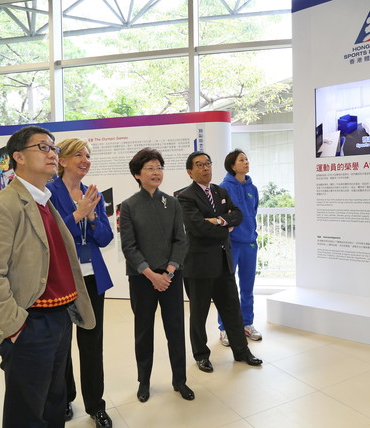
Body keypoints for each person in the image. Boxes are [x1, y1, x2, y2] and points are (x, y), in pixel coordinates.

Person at [0, 125, 96, 428]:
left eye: (54, 148)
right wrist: (15, 325)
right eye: (43, 147)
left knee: (54, 402)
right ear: (18, 157)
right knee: (27, 411)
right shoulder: (3, 206)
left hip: (60, 319)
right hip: (31, 322)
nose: (52, 153)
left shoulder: (45, 202)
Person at [47, 138, 114, 428]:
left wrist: (95, 217)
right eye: (79, 155)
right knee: (61, 344)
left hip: (92, 278)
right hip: (63, 277)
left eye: (88, 155)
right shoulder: (48, 192)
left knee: (91, 343)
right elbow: (50, 234)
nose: (85, 160)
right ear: (61, 160)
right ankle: (64, 400)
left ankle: (96, 406)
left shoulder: (91, 193)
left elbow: (105, 238)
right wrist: (78, 213)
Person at [119, 148, 194, 403]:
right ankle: (144, 381)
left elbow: (180, 240)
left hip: (171, 277)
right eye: (150, 168)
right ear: (137, 174)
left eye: (159, 167)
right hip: (142, 279)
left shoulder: (172, 202)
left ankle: (180, 380)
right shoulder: (128, 206)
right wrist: (152, 275)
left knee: (175, 329)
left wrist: (170, 271)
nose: (156, 172)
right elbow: (129, 246)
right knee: (143, 331)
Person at [177, 151, 263, 373]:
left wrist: (218, 221)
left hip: (223, 262)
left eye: (208, 164)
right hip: (199, 266)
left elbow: (238, 215)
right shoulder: (184, 196)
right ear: (190, 171)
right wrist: (224, 228)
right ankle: (201, 355)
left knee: (232, 310)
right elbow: (197, 228)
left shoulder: (220, 190)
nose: (205, 168)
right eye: (199, 165)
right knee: (199, 314)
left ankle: (242, 352)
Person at [218, 149, 262, 346]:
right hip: (231, 244)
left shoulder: (253, 187)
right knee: (226, 288)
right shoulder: (223, 188)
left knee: (247, 287)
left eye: (247, 159)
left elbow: (253, 212)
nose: (246, 162)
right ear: (232, 165)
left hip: (250, 244)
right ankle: (224, 328)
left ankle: (247, 323)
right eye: (241, 160)